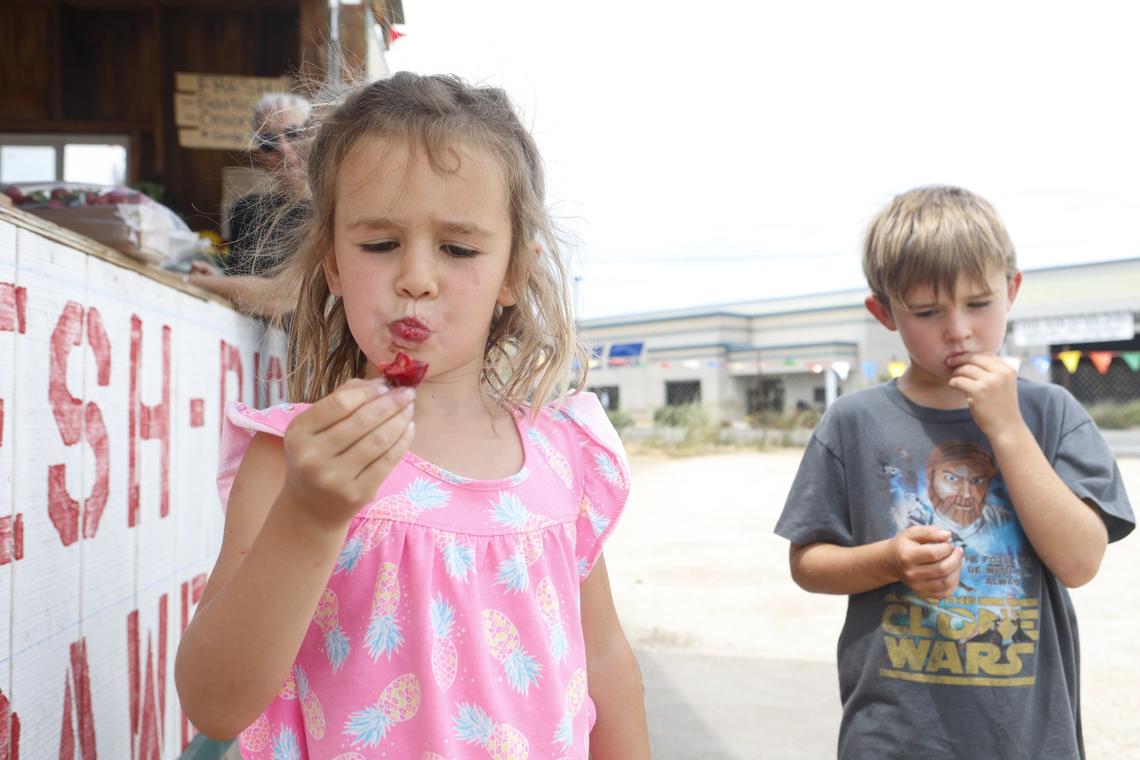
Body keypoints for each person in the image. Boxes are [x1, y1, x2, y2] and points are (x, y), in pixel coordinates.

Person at [175, 73, 651, 759]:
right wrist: (309, 517)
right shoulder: (293, 459)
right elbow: (214, 702)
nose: (417, 278)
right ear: (333, 263)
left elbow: (604, 662)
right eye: (379, 245)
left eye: (458, 249)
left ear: (514, 271)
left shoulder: (563, 456)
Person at [775, 185, 1133, 759]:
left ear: (1012, 290)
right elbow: (807, 564)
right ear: (884, 313)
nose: (959, 329)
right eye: (927, 312)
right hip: (893, 738)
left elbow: (1079, 561)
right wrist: (889, 560)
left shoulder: (1050, 414)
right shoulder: (853, 422)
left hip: (1027, 739)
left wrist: (1009, 431)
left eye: (979, 303)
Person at [187, 92, 313, 316]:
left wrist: (198, 282)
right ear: (260, 155)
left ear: (314, 136)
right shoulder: (247, 212)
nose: (283, 149)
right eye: (268, 143)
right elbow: (243, 291)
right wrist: (219, 280)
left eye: (293, 134)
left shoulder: (332, 209)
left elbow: (282, 298)